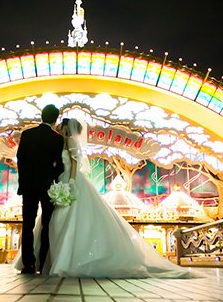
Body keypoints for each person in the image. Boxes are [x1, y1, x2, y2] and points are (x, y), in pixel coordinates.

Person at [44, 118, 200, 278]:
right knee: (65, 217)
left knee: (71, 217)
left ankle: (66, 259)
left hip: (72, 179)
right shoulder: (62, 142)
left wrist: (71, 181)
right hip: (65, 178)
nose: (60, 129)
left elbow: (75, 163)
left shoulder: (69, 141)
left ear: (67, 129)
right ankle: (64, 257)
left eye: (62, 127)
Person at [16, 104, 64, 274]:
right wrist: (52, 177)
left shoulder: (27, 134)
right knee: (46, 224)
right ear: (55, 119)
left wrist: (23, 182)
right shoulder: (57, 139)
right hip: (47, 187)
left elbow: (20, 160)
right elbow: (60, 165)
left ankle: (28, 263)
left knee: (27, 224)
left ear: (42, 116)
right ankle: (43, 263)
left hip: (28, 187)